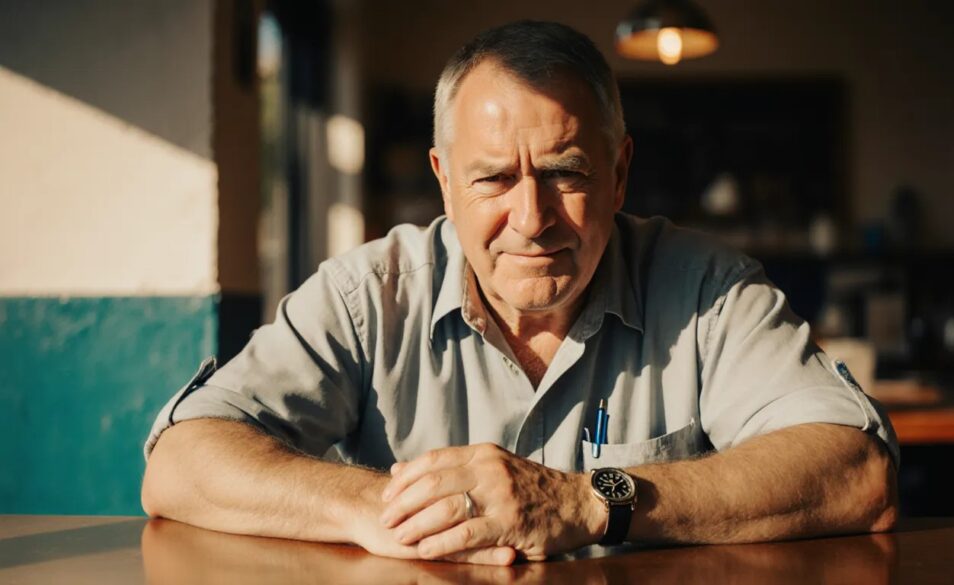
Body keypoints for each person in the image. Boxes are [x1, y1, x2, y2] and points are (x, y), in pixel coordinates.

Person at [141, 20, 898, 566]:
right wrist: (371, 508)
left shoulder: (707, 289)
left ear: (620, 171)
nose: (531, 220)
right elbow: (178, 463)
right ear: (443, 180)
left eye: (566, 171)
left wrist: (585, 501)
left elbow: (857, 472)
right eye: (494, 178)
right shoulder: (369, 293)